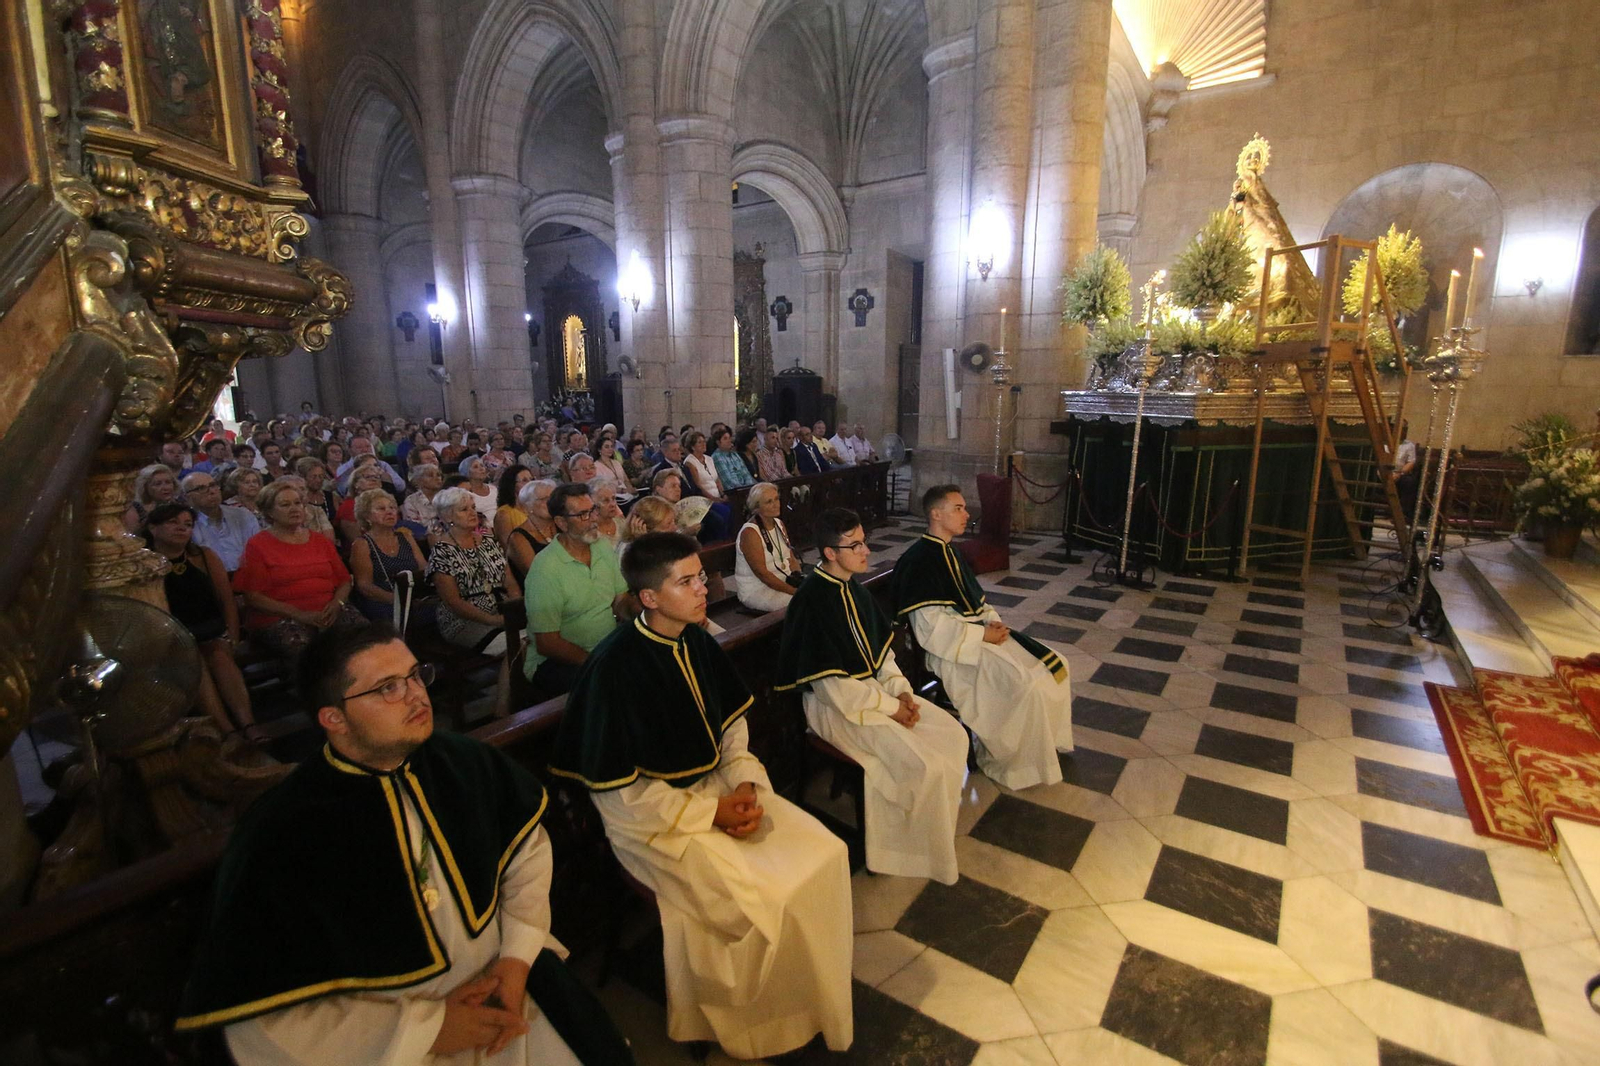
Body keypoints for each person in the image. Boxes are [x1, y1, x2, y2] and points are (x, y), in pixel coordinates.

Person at [173, 624, 636, 1066]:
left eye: (415, 675)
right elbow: (264, 1022)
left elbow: (527, 855)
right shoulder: (283, 829)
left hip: (507, 986)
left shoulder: (464, 761)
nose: (416, 694)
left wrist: (515, 961)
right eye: (387, 687)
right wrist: (428, 1029)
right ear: (333, 718)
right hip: (388, 1043)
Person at [550, 534, 852, 1060]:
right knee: (763, 899)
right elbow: (618, 795)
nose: (703, 589)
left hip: (719, 791)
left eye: (700, 577)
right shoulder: (615, 668)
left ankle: (811, 998)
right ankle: (753, 1022)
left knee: (826, 855)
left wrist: (744, 785)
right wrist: (710, 812)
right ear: (648, 597)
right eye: (685, 581)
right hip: (649, 822)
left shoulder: (696, 640)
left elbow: (730, 728)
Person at [774, 508, 969, 884]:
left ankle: (930, 839)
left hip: (878, 698)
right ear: (830, 553)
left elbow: (883, 656)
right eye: (856, 545)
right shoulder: (811, 600)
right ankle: (899, 851)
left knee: (951, 735)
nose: (866, 551)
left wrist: (902, 693)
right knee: (922, 764)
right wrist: (892, 708)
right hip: (836, 711)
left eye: (864, 541)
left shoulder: (855, 591)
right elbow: (833, 689)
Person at [891, 485, 1073, 790]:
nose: (967, 514)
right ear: (936, 514)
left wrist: (993, 623)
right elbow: (930, 628)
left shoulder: (951, 551)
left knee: (1054, 666)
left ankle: (1044, 746)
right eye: (958, 508)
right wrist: (981, 636)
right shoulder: (918, 561)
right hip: (953, 651)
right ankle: (1016, 764)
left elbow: (975, 601)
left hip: (979, 636)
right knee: (1023, 685)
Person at [143, 502, 262, 744]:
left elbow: (226, 599)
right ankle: (226, 729)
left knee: (218, 657)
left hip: (210, 631)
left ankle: (248, 723)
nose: (182, 528)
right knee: (194, 660)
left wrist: (232, 633)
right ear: (153, 528)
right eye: (173, 523)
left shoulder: (204, 557)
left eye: (187, 524)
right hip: (172, 639)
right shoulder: (144, 565)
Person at [232, 482, 364, 660]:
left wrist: (336, 604)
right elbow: (253, 597)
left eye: (297, 503)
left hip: (328, 610)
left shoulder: (320, 540)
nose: (294, 509)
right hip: (280, 617)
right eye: (285, 505)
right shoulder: (257, 545)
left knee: (365, 636)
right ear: (270, 512)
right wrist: (300, 615)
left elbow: (344, 581)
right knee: (305, 650)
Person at [521, 483, 629, 695]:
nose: (593, 520)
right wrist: (595, 661)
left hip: (604, 648)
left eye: (592, 511)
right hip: (557, 662)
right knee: (610, 688)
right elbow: (548, 643)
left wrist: (646, 614)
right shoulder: (546, 568)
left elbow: (621, 601)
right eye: (582, 515)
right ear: (561, 522)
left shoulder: (601, 547)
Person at [428, 487, 518, 654]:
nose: (472, 513)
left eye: (473, 507)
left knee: (542, 636)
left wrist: (516, 608)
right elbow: (453, 601)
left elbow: (510, 581)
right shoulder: (442, 551)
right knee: (518, 645)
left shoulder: (488, 541)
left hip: (503, 609)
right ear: (448, 516)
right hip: (465, 621)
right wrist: (494, 620)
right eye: (464, 509)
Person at [349, 489, 431, 626]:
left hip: (413, 597)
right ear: (367, 516)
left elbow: (424, 568)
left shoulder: (406, 537)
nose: (389, 512)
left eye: (392, 508)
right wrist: (398, 600)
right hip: (382, 601)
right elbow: (365, 586)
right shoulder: (362, 544)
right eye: (381, 509)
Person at [734, 482, 800, 612]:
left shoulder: (779, 523)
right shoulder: (750, 532)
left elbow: (790, 557)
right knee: (801, 603)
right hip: (758, 589)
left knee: (818, 592)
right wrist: (796, 592)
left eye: (776, 499)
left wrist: (799, 577)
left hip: (783, 579)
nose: (776, 504)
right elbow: (762, 574)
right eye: (769, 502)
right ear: (756, 508)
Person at [183, 472, 259, 572]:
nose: (211, 491)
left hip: (247, 576)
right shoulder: (187, 524)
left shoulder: (243, 515)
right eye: (201, 488)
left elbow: (258, 550)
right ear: (187, 497)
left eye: (213, 485)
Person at [506, 479, 558, 586]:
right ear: (527, 507)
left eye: (553, 498)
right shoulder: (518, 538)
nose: (551, 502)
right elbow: (536, 575)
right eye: (544, 499)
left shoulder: (562, 525)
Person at [125, 463, 182, 532]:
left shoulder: (180, 505)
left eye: (168, 482)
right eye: (158, 484)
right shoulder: (135, 510)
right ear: (145, 487)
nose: (165, 488)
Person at [338, 466, 388, 545]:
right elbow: (357, 540)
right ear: (355, 484)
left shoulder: (387, 503)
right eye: (367, 477)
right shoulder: (349, 506)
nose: (373, 479)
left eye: (376, 477)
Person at [493, 466, 535, 550]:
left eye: (532, 479)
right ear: (512, 485)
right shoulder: (504, 514)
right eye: (524, 480)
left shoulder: (534, 508)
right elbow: (508, 548)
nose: (530, 484)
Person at [402, 462, 444, 533]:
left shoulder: (447, 496)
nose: (437, 478)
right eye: (430, 475)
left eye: (438, 475)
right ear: (419, 481)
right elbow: (415, 528)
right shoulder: (411, 501)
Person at [681, 432, 723, 499]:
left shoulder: (709, 459)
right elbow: (698, 486)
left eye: (704, 442)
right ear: (692, 447)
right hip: (704, 498)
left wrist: (723, 494)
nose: (704, 444)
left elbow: (717, 480)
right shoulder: (690, 462)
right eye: (700, 442)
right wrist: (714, 499)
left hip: (718, 496)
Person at [459, 456, 498, 527]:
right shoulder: (465, 494)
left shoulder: (494, 488)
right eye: (476, 467)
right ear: (467, 473)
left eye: (482, 466)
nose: (481, 469)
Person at [589, 478, 623, 543]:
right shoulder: (590, 533)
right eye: (605, 500)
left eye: (613, 498)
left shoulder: (622, 524)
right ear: (593, 505)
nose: (613, 504)